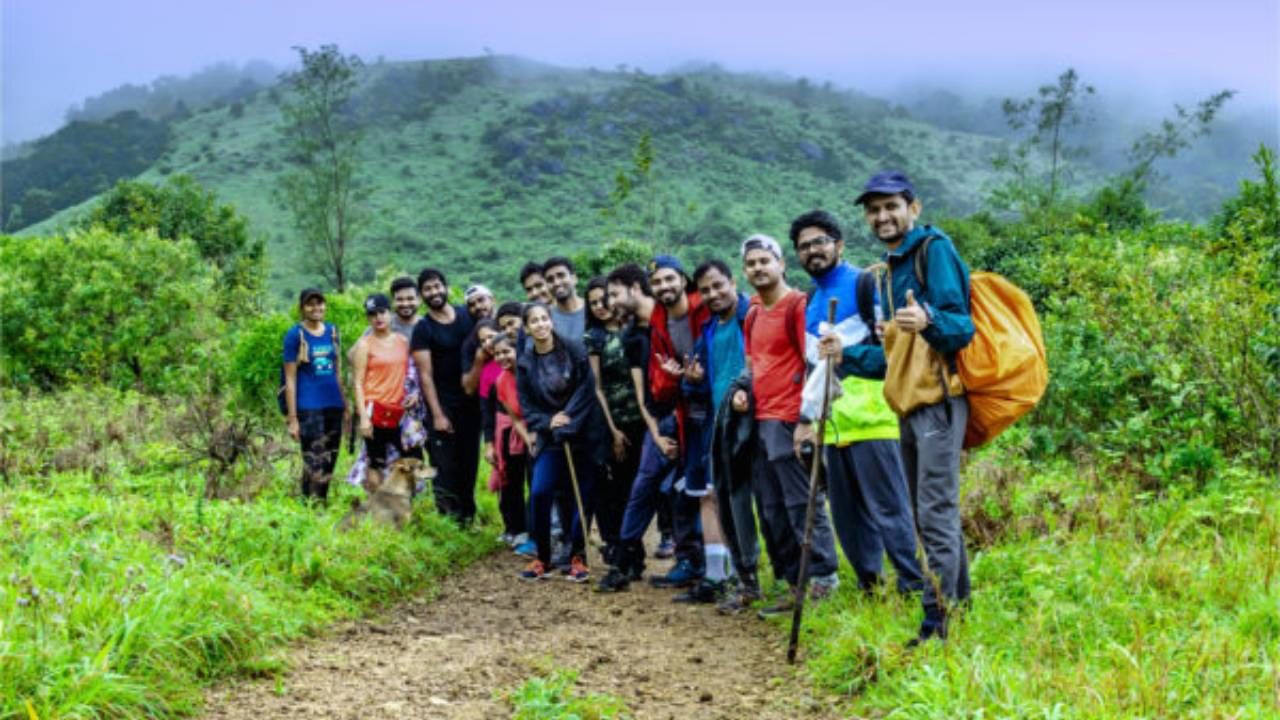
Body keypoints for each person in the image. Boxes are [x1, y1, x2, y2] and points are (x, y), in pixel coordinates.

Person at [848, 171, 974, 645]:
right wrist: (845, 357)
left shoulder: (931, 250)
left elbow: (961, 326)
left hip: (939, 401)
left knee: (934, 511)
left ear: (913, 208)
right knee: (928, 513)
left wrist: (928, 319)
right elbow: (891, 360)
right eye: (873, 209)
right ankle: (958, 606)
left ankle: (936, 622)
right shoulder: (887, 270)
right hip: (908, 403)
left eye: (890, 207)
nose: (882, 216)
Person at [792, 209, 924, 595]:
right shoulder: (811, 302)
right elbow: (816, 370)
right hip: (832, 426)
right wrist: (807, 419)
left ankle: (913, 586)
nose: (812, 251)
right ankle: (873, 588)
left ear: (839, 244)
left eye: (819, 242)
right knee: (848, 519)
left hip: (874, 418)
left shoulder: (866, 284)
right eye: (804, 246)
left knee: (889, 509)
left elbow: (893, 349)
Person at [731, 235, 840, 617]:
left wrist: (806, 420)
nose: (758, 268)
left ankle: (823, 579)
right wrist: (743, 391)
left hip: (789, 419)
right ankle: (794, 583)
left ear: (781, 264)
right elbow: (752, 365)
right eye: (751, 263)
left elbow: (814, 364)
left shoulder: (798, 306)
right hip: (759, 420)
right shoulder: (755, 311)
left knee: (801, 503)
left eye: (765, 260)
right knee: (772, 507)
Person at [596, 257, 707, 593]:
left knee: (686, 490)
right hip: (664, 421)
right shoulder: (636, 335)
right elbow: (643, 395)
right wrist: (657, 433)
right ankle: (625, 558)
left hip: (693, 415)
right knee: (647, 488)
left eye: (614, 294)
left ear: (634, 288)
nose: (611, 303)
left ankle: (695, 561)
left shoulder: (676, 318)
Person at [679, 260, 763, 609]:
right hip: (722, 426)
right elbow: (696, 387)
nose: (713, 294)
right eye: (706, 290)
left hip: (759, 419)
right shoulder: (709, 331)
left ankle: (794, 581)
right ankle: (748, 582)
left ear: (732, 282)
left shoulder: (753, 316)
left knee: (771, 505)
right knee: (733, 505)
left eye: (718, 286)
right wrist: (692, 382)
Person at [515, 302, 601, 583]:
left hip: (581, 434)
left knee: (582, 496)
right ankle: (543, 557)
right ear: (527, 328)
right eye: (534, 321)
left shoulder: (574, 349)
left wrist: (568, 420)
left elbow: (586, 388)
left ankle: (578, 557)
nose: (540, 324)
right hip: (550, 438)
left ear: (550, 321)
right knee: (540, 491)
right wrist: (550, 422)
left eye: (544, 319)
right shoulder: (525, 363)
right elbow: (527, 408)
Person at [583, 276, 645, 567]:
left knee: (641, 486)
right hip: (615, 422)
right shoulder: (593, 338)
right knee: (617, 487)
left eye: (604, 299)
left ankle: (638, 548)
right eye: (593, 302)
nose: (599, 306)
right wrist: (613, 431)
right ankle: (624, 549)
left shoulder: (634, 329)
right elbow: (597, 387)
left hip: (643, 418)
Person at [412, 268, 480, 525]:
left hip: (471, 405)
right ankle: (449, 522)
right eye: (427, 289)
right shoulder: (423, 328)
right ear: (422, 295)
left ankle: (468, 518)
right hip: (442, 407)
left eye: (437, 286)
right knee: (445, 467)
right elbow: (425, 375)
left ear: (446, 287)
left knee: (469, 464)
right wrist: (438, 414)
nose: (434, 292)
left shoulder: (466, 315)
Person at [283, 288, 348, 504]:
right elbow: (290, 379)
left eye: (319, 303)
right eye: (310, 304)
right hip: (308, 406)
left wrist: (345, 404)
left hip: (333, 404)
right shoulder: (295, 335)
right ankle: (309, 504)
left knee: (331, 456)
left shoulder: (333, 332)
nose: (316, 308)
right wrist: (292, 419)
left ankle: (320, 501)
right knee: (314, 458)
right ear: (302, 308)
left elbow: (338, 371)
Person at [352, 293, 416, 490]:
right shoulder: (364, 344)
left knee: (408, 459)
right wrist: (363, 417)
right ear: (368, 318)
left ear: (389, 313)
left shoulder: (403, 341)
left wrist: (414, 395)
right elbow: (357, 383)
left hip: (400, 411)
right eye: (372, 314)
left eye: (381, 312)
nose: (378, 318)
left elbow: (411, 373)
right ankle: (376, 507)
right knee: (376, 461)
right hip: (375, 409)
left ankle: (404, 504)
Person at [489, 332, 530, 550]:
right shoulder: (501, 380)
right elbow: (509, 413)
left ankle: (536, 529)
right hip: (511, 432)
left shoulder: (530, 372)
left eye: (506, 351)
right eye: (497, 354)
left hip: (536, 430)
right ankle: (516, 528)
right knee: (511, 482)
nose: (502, 357)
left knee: (536, 483)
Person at [543, 256, 586, 343]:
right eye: (550, 280)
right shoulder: (545, 318)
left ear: (574, 278)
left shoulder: (594, 309)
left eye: (561, 276)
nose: (556, 283)